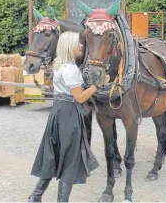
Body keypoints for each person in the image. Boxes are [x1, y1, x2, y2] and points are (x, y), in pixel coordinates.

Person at [27, 31, 109, 202]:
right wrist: (98, 85)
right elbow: (79, 97)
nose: (81, 46)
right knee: (70, 159)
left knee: (53, 154)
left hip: (58, 112)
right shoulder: (71, 69)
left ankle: (35, 197)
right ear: (69, 47)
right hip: (69, 114)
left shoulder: (59, 66)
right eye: (77, 43)